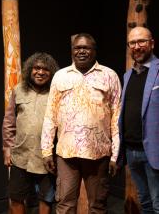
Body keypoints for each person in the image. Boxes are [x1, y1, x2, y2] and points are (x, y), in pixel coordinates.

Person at [41, 33, 122, 214]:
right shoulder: (60, 76)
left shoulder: (109, 75)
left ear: (94, 51)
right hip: (66, 154)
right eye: (77, 48)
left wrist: (116, 154)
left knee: (97, 206)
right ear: (72, 51)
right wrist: (46, 151)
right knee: (65, 205)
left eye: (86, 48)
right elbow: (50, 116)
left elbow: (117, 116)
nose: (81, 51)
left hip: (99, 154)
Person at [2, 52, 59, 214]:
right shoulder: (18, 90)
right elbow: (9, 122)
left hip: (47, 157)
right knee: (17, 197)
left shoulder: (56, 92)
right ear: (30, 69)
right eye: (37, 68)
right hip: (21, 155)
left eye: (45, 69)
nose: (40, 72)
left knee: (46, 198)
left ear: (52, 73)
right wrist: (7, 148)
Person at [117, 26, 159, 213]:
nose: (136, 46)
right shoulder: (128, 75)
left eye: (141, 41)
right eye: (132, 43)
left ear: (151, 43)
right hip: (132, 151)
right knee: (146, 202)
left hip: (154, 152)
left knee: (158, 204)